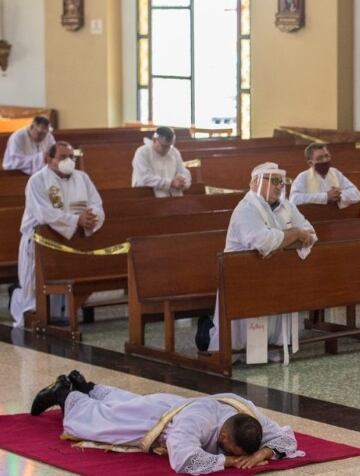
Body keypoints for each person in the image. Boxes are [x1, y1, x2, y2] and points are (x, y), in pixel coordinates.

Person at [30, 370, 302, 474]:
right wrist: (227, 462)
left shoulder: (249, 417)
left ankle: (86, 385)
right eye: (230, 450)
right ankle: (65, 393)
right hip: (156, 420)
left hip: (169, 406)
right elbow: (182, 458)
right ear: (224, 439)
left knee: (124, 403)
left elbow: (285, 437)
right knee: (99, 422)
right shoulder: (198, 423)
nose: (233, 456)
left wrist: (263, 452)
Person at [204, 163, 317, 364]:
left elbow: (310, 234)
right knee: (241, 334)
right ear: (255, 182)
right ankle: (236, 352)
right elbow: (263, 242)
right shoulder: (246, 209)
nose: (279, 186)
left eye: (281, 181)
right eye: (273, 180)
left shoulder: (287, 206)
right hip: (243, 277)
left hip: (274, 276)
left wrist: (281, 245)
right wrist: (294, 235)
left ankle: (272, 349)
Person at [10, 141, 104, 328]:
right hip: (39, 243)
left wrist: (91, 217)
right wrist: (76, 220)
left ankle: (61, 316)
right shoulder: (37, 181)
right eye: (62, 157)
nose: (68, 161)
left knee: (65, 280)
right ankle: (27, 311)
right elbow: (43, 213)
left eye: (71, 157)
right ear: (49, 159)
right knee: (34, 291)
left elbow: (96, 203)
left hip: (71, 240)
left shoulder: (82, 178)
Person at [289, 144, 360, 209]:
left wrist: (339, 196)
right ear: (310, 163)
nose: (325, 160)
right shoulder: (303, 177)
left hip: (338, 217)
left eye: (327, 156)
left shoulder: (335, 173)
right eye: (320, 158)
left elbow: (356, 193)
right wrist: (325, 196)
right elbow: (294, 199)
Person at [131, 126, 192, 197]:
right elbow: (144, 179)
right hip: (147, 196)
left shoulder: (174, 152)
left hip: (172, 197)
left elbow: (183, 171)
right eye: (163, 146)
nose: (166, 149)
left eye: (169, 146)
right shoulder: (142, 152)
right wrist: (170, 183)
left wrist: (182, 180)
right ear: (154, 140)